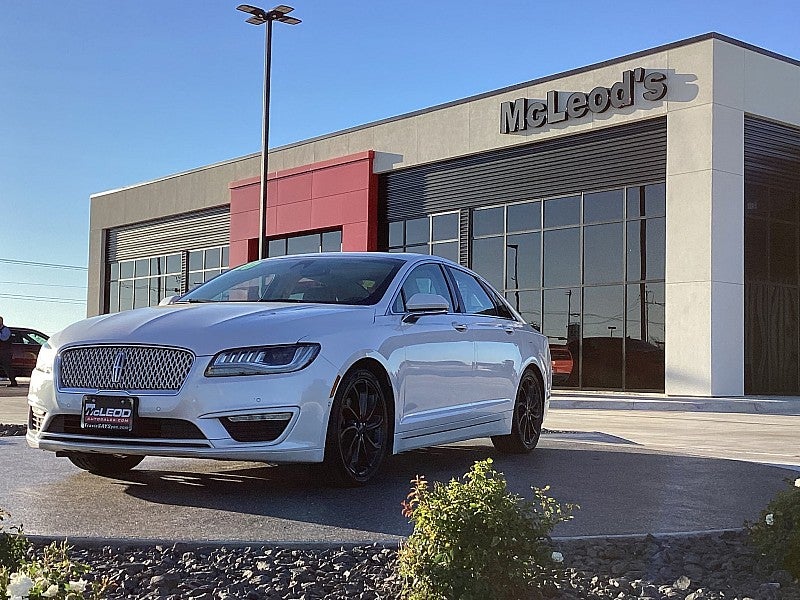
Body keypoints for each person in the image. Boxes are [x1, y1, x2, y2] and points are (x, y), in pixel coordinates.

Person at [0, 316, 18, 387]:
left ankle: (13, 382)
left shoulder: (5, 330)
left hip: (5, 351)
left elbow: (4, 338)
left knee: (7, 367)